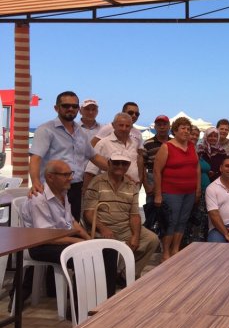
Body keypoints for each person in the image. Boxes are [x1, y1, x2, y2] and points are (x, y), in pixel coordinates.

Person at [21, 160, 116, 299]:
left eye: (71, 173)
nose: (71, 178)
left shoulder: (62, 193)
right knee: (83, 255)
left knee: (108, 250)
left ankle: (107, 299)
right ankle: (80, 306)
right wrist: (77, 242)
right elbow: (45, 236)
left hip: (60, 239)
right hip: (39, 245)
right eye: (65, 175)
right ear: (50, 177)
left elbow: (71, 222)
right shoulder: (39, 199)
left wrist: (88, 239)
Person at [30, 91, 108, 221]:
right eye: (66, 106)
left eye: (74, 106)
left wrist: (116, 170)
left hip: (75, 188)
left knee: (73, 224)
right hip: (52, 188)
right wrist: (35, 182)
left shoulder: (80, 132)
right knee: (54, 228)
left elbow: (94, 157)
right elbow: (35, 158)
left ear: (78, 109)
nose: (71, 109)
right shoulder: (45, 130)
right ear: (56, 108)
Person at [83, 153, 159, 279]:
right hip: (101, 228)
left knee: (152, 240)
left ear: (128, 166)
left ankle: (128, 275)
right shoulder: (97, 182)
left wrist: (135, 236)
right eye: (116, 163)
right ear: (109, 163)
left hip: (124, 227)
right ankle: (113, 274)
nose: (120, 166)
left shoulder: (132, 186)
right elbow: (88, 213)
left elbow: (134, 215)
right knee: (110, 249)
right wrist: (103, 228)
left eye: (124, 163)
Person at [153, 117, 201, 261]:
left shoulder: (191, 146)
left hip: (189, 192)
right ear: (175, 130)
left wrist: (197, 188)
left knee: (182, 220)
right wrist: (158, 194)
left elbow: (197, 168)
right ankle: (165, 253)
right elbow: (157, 171)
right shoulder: (167, 147)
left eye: (188, 129)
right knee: (170, 222)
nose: (186, 131)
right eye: (183, 128)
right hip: (171, 192)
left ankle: (175, 249)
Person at [84, 112, 143, 190]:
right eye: (121, 125)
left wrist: (139, 181)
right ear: (114, 125)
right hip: (109, 190)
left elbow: (137, 164)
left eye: (127, 126)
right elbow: (90, 171)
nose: (124, 128)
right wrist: (85, 191)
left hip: (132, 189)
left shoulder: (134, 143)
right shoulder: (103, 143)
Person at [142, 114, 171, 228]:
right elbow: (142, 165)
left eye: (164, 124)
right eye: (159, 125)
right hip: (152, 177)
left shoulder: (174, 142)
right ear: (155, 127)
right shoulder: (147, 143)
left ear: (169, 126)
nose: (162, 127)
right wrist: (146, 185)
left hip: (169, 177)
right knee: (152, 209)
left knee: (168, 210)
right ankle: (151, 233)